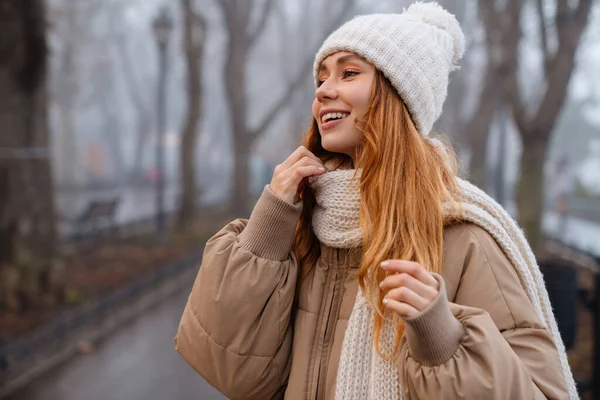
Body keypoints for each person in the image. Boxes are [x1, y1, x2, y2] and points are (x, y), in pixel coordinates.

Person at [174, 3, 577, 399]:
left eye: (349, 73)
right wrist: (267, 229)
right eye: (320, 79)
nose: (324, 91)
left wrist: (442, 338)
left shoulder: (464, 235)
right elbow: (235, 373)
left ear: (397, 96)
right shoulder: (304, 223)